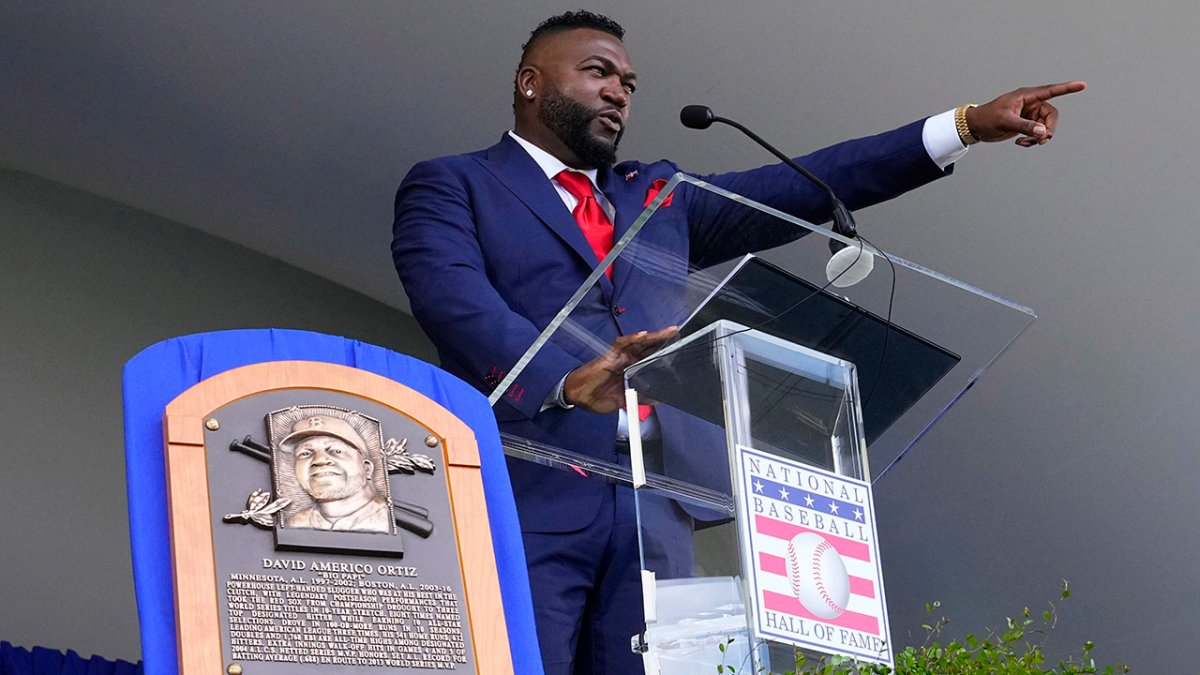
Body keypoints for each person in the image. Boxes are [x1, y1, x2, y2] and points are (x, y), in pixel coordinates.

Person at [391, 10, 1084, 673]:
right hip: (527, 489)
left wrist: (961, 127)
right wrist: (569, 377)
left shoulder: (659, 196)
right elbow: (454, 298)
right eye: (598, 72)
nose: (618, 92)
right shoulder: (454, 184)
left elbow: (812, 183)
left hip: (655, 508)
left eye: (628, 84)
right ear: (531, 82)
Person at [280, 414, 393, 533]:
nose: (319, 460)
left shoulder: (390, 520)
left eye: (336, 451)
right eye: (305, 453)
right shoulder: (295, 523)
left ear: (367, 469)